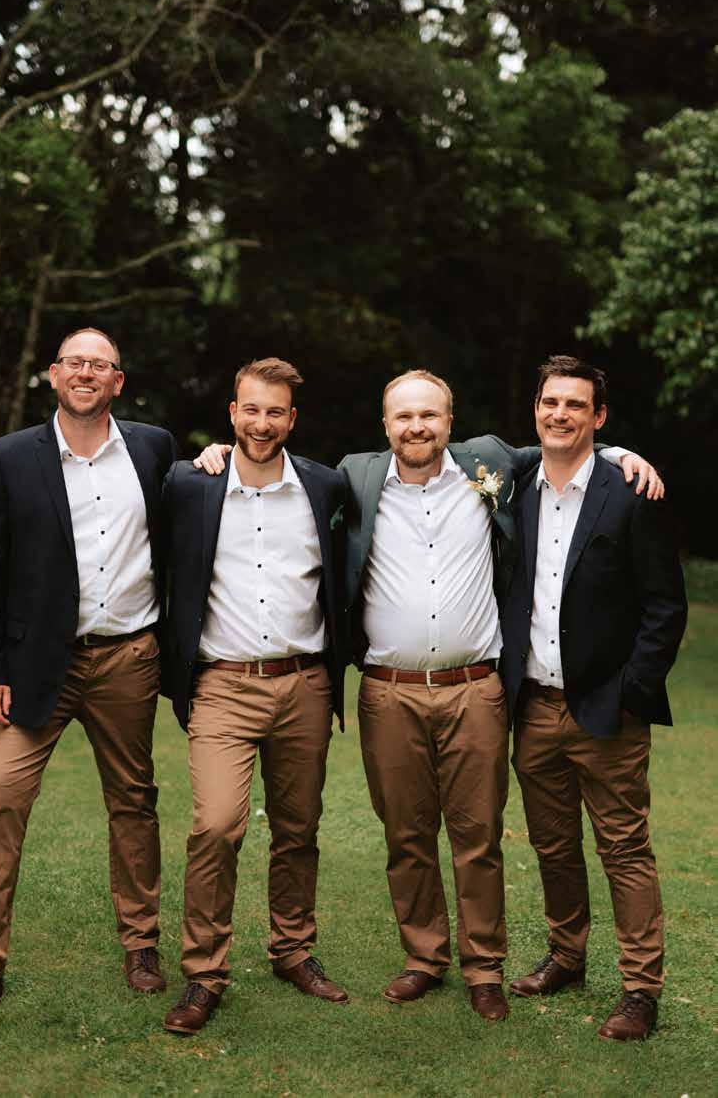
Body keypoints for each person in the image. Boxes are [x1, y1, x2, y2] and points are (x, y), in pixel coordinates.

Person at [197, 368, 660, 1022]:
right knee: (406, 836)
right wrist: (220, 451)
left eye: (429, 415)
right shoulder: (353, 477)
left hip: (476, 690)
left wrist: (617, 452)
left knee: (478, 838)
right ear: (385, 425)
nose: (417, 427)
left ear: (450, 421)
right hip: (389, 692)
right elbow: (270, 461)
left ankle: (484, 967)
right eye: (404, 417)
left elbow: (562, 441)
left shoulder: (487, 465)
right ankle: (424, 957)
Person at [0, 328, 177, 1030]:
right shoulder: (9, 457)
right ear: (54, 375)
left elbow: (189, 517)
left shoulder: (153, 448)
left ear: (118, 381)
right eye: (74, 362)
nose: (86, 372)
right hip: (34, 666)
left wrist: (214, 457)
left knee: (134, 800)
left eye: (100, 364)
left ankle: (141, 945)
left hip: (128, 657)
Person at [501, 356, 687, 1041]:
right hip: (533, 708)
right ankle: (566, 955)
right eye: (550, 401)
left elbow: (665, 606)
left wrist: (632, 692)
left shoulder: (631, 492)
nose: (560, 414)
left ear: (598, 416)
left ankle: (640, 989)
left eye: (575, 404)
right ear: (535, 408)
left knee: (624, 850)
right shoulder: (512, 486)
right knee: (553, 845)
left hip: (609, 709)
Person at [160, 358, 348, 1035]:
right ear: (231, 412)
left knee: (298, 828)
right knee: (216, 824)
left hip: (304, 682)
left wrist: (614, 452)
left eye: (275, 412)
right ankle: (204, 972)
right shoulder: (190, 483)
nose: (261, 423)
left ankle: (292, 949)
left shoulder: (325, 486)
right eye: (251, 410)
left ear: (291, 419)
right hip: (222, 684)